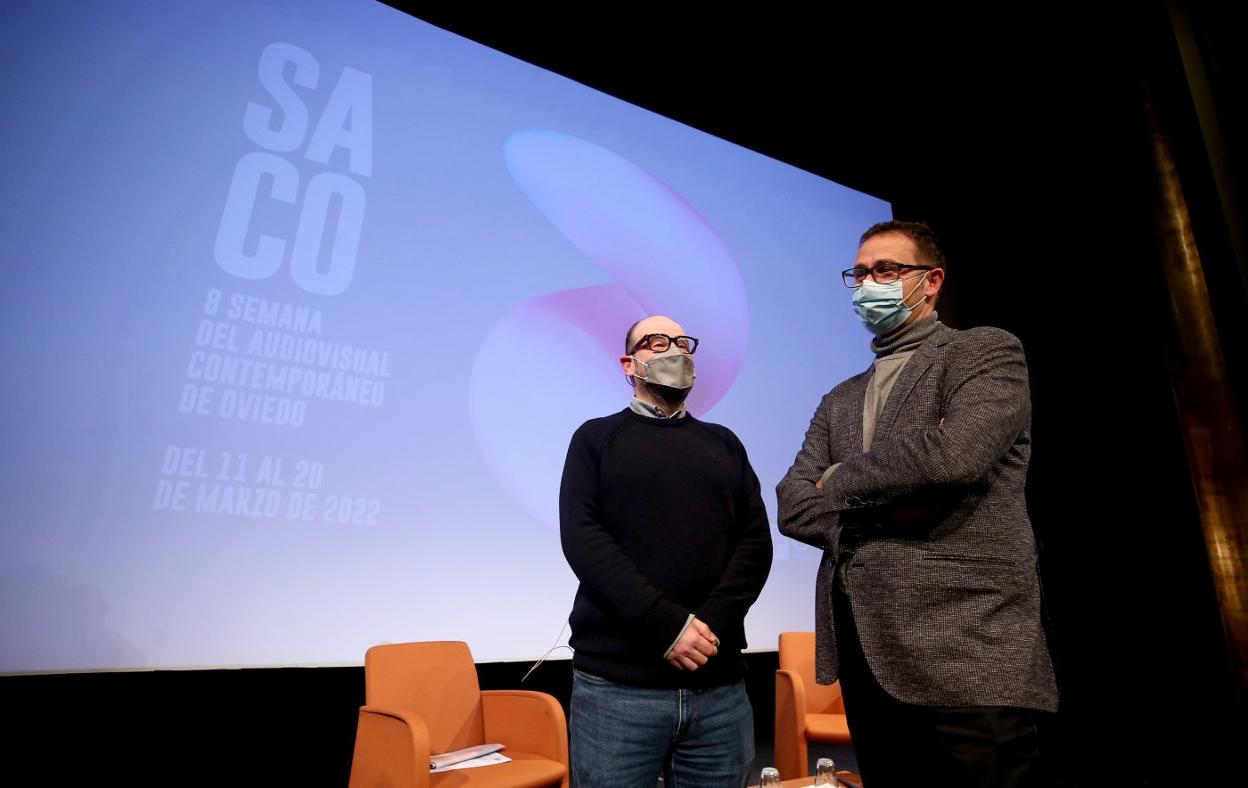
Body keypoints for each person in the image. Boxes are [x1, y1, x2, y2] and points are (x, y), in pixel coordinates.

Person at [776, 220, 1058, 787]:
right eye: (858, 273)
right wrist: (894, 496)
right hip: (867, 655)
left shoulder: (983, 352)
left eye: (886, 270)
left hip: (967, 649)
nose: (867, 283)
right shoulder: (841, 397)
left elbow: (954, 457)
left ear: (930, 282)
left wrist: (840, 481)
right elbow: (792, 502)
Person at [560, 314, 773, 788]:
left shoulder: (724, 444)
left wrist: (708, 626)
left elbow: (755, 544)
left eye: (682, 342)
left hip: (719, 689)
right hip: (617, 691)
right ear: (629, 364)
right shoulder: (595, 439)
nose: (674, 351)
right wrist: (669, 628)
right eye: (657, 342)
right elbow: (584, 539)